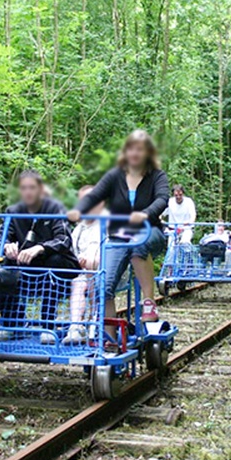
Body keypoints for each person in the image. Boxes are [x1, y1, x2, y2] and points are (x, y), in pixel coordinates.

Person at [68, 129, 168, 346]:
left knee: (139, 245)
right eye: (131, 148)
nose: (135, 153)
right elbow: (95, 195)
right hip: (119, 236)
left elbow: (162, 199)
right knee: (103, 286)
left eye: (140, 149)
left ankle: (148, 302)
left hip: (149, 229)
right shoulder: (115, 176)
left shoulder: (157, 176)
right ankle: (109, 339)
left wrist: (146, 214)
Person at [0, 170, 80, 341]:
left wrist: (40, 248)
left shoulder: (54, 208)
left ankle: (48, 325)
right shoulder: (13, 211)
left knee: (54, 261)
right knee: (3, 264)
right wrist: (6, 246)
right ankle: (12, 325)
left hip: (58, 267)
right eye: (24, 188)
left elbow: (64, 239)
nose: (28, 192)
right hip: (27, 268)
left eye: (32, 188)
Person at [66, 185, 105, 344]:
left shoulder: (107, 223)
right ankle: (78, 325)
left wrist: (90, 261)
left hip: (102, 271)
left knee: (82, 280)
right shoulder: (79, 228)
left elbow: (109, 251)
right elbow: (69, 250)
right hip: (81, 271)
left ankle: (79, 325)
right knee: (79, 279)